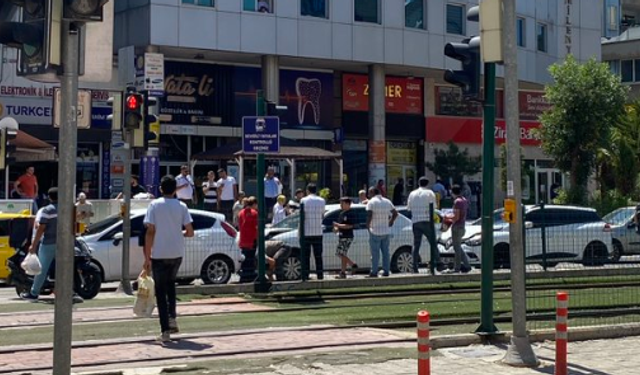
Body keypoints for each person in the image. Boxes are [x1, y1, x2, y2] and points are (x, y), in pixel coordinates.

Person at [143, 175, 194, 343]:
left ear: (160, 189)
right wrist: (178, 233)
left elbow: (150, 231)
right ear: (175, 189)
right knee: (171, 286)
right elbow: (190, 231)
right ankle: (172, 317)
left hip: (159, 253)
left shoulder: (154, 205)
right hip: (177, 252)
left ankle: (165, 330)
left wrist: (147, 256)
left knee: (160, 291)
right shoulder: (182, 206)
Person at [21, 188, 83, 304]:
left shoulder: (47, 210)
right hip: (64, 243)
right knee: (65, 268)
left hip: (48, 243)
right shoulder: (67, 209)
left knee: (42, 269)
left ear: (49, 197)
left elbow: (41, 228)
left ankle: (34, 293)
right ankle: (70, 292)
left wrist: (33, 245)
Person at [407, 177, 444, 274]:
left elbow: (409, 207)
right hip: (427, 220)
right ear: (427, 184)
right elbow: (434, 207)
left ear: (418, 183)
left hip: (415, 221)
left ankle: (414, 266)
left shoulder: (412, 193)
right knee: (433, 243)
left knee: (416, 244)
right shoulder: (430, 193)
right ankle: (439, 263)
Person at [366, 187, 398, 277]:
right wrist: (391, 221)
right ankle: (386, 271)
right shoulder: (387, 201)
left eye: (369, 193)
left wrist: (367, 225)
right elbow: (395, 213)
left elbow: (369, 215)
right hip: (385, 230)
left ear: (372, 192)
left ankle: (374, 271)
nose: (369, 195)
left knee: (375, 253)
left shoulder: (371, 202)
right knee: (386, 253)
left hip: (375, 230)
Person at [300, 183, 325, 281]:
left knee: (306, 256)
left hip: (306, 231)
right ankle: (320, 275)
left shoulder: (303, 200)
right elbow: (322, 214)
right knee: (318, 255)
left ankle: (306, 274)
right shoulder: (322, 200)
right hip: (318, 231)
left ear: (307, 190)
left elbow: (302, 215)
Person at [446, 184, 471, 274]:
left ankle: (456, 267)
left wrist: (447, 218)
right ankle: (467, 265)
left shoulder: (457, 202)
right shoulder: (464, 200)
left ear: (452, 192)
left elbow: (456, 216)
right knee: (459, 247)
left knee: (456, 248)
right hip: (462, 226)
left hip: (456, 226)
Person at [333, 197, 358, 279]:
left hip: (347, 236)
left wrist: (338, 225)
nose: (341, 205)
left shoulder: (351, 213)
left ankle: (352, 264)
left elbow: (350, 225)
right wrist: (336, 229)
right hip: (341, 235)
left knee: (339, 253)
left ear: (348, 204)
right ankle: (343, 273)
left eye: (342, 203)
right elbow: (339, 225)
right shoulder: (341, 214)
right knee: (343, 254)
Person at [238, 196, 259, 283]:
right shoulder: (254, 213)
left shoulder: (241, 213)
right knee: (251, 259)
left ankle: (244, 277)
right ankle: (250, 277)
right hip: (252, 239)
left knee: (245, 259)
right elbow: (257, 227)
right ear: (254, 204)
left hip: (243, 239)